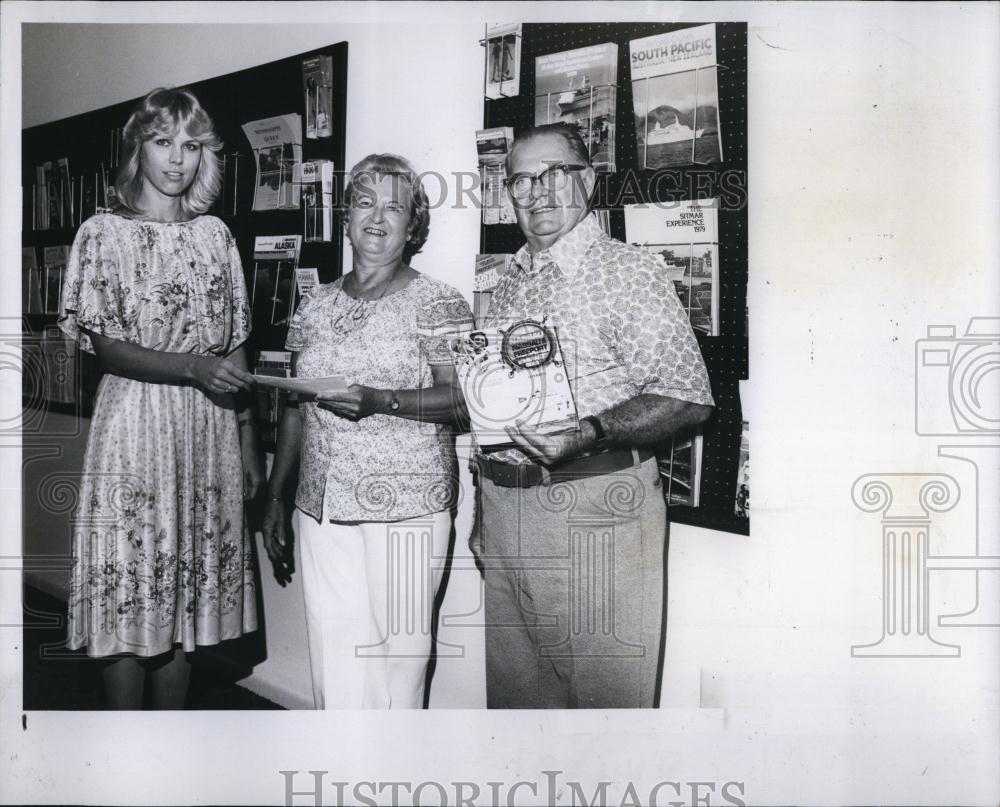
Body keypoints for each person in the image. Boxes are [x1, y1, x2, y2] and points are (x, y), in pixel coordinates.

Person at [473, 123, 715, 708]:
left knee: (607, 713)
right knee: (518, 711)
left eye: (553, 174)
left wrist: (588, 433)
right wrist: (484, 509)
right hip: (507, 513)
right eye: (521, 180)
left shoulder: (631, 273)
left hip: (597, 509)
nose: (536, 193)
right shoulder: (500, 284)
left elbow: (689, 397)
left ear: (587, 179)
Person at [58, 87, 261, 709]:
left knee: (184, 605)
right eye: (162, 142)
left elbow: (236, 346)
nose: (177, 159)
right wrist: (194, 367)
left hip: (209, 433)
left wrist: (248, 441)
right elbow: (108, 346)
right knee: (132, 598)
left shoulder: (216, 237)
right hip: (136, 426)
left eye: (191, 145)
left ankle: (170, 744)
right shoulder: (102, 232)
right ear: (136, 148)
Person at [262, 154, 473, 710]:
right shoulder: (314, 304)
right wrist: (276, 495)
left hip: (407, 505)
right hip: (321, 506)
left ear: (412, 226)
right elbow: (292, 406)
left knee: (400, 662)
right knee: (334, 655)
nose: (377, 218)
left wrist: (383, 401)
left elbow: (464, 403)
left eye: (394, 207)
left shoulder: (440, 302)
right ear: (347, 214)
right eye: (364, 202)